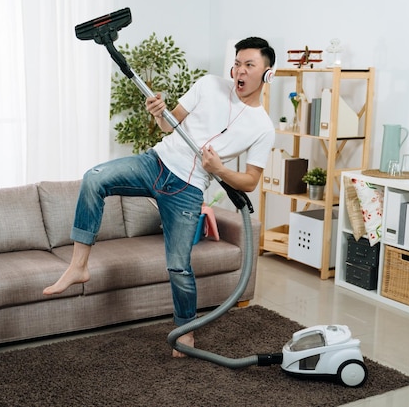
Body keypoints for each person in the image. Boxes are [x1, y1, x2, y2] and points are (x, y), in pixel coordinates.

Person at [44, 36, 276, 357]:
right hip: (155, 163)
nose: (240, 70)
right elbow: (170, 125)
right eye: (237, 63)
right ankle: (78, 266)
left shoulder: (263, 127)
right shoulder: (209, 85)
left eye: (249, 65)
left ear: (267, 74)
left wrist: (219, 169)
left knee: (179, 266)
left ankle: (185, 331)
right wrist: (158, 113)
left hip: (188, 188)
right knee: (94, 178)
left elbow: (250, 180)